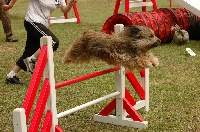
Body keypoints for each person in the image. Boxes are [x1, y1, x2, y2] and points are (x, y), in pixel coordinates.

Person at [3, 0, 78, 84]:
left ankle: (11, 75)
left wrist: (71, 3)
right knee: (53, 42)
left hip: (42, 24)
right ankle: (31, 60)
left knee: (29, 51)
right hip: (32, 22)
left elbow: (64, 10)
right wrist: (10, 5)